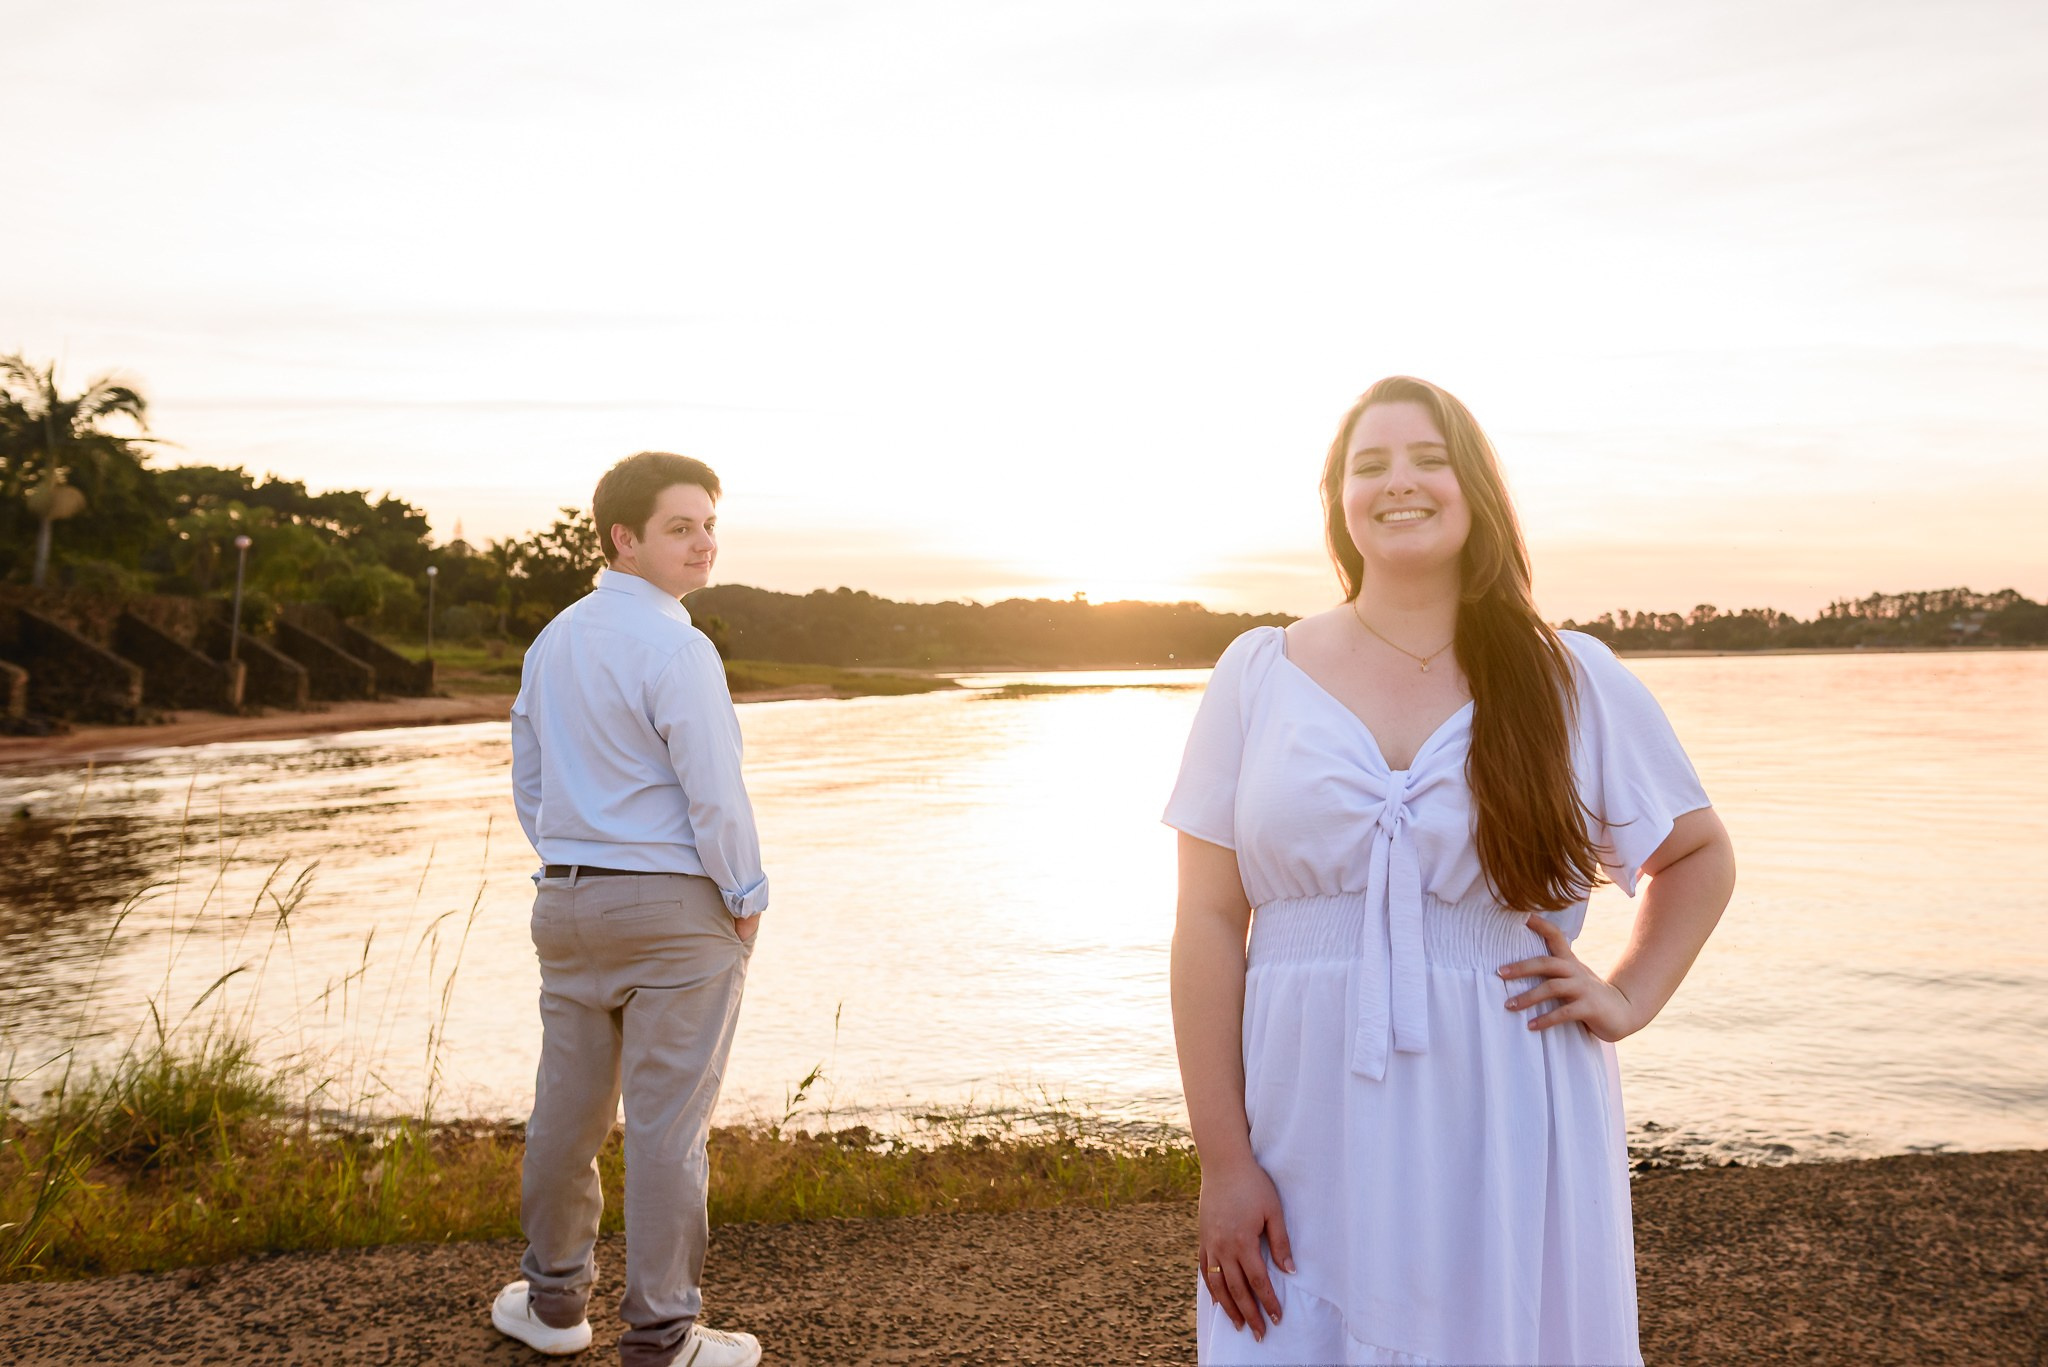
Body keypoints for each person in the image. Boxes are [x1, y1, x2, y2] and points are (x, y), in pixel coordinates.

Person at [1165, 377, 1736, 1366]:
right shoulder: (1256, 673)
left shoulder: (1565, 675)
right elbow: (1208, 920)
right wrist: (1223, 1160)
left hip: (1508, 1102)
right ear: (1338, 500)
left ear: (1472, 487)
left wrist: (1627, 992)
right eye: (1369, 463)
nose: (1399, 482)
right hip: (1305, 1116)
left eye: (1427, 458)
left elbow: (1694, 854)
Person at [491, 451, 768, 1367]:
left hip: (568, 901)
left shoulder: (554, 640)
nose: (704, 543)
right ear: (625, 537)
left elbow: (530, 782)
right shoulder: (678, 646)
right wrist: (746, 896)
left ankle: (555, 1301)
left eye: (709, 524)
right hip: (672, 910)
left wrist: (576, 857)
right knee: (664, 1127)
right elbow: (716, 794)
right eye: (681, 527)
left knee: (565, 1113)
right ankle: (663, 1337)